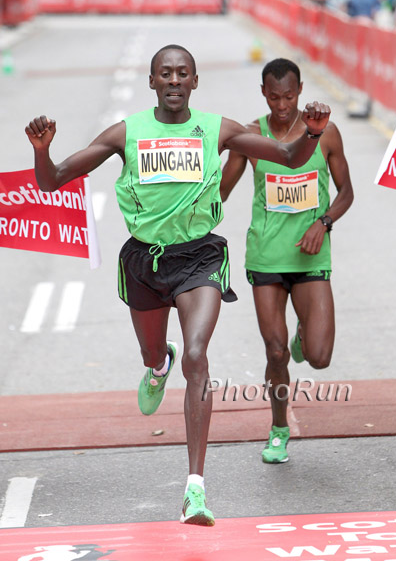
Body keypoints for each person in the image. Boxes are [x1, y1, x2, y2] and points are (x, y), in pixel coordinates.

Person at [25, 45, 331, 527]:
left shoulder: (218, 129)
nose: (173, 80)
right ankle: (156, 363)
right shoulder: (127, 133)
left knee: (197, 355)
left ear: (194, 81)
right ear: (152, 82)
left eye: (182, 73)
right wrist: (42, 151)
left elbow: (290, 157)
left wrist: (311, 134)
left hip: (199, 257)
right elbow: (54, 180)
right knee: (157, 353)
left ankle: (195, 489)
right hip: (144, 261)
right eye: (165, 73)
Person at [220, 58, 353, 465]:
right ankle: (279, 428)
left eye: (289, 97)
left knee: (319, 357)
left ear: (300, 91)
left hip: (311, 256)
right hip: (266, 258)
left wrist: (323, 223)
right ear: (264, 93)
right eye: (274, 97)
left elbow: (346, 192)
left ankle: (303, 333)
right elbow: (221, 192)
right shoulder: (250, 136)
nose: (282, 105)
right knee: (276, 353)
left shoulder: (325, 133)